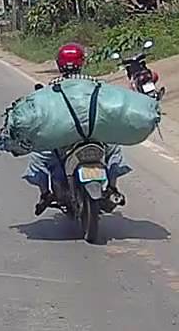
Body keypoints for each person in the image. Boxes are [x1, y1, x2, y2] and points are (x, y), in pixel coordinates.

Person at [23, 43, 132, 215]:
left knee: (39, 156)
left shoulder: (53, 87)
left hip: (64, 137)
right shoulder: (94, 84)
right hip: (94, 134)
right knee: (114, 150)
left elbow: (45, 112)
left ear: (59, 64)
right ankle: (112, 188)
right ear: (81, 62)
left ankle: (45, 194)